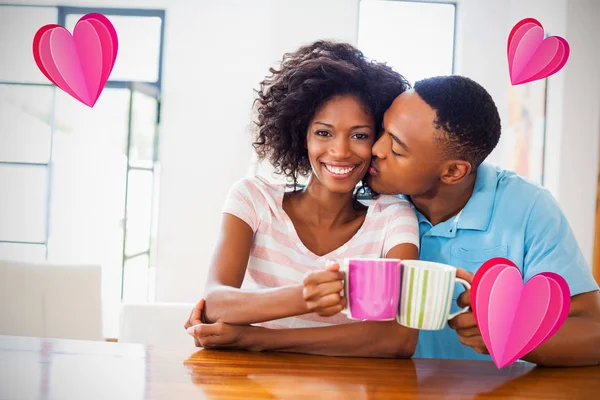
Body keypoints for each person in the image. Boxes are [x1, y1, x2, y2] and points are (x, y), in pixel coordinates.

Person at [185, 40, 420, 358]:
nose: (340, 151)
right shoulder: (254, 199)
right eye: (324, 133)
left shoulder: (393, 216)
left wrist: (257, 338)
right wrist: (303, 296)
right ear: (301, 135)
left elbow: (397, 339)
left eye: (359, 135)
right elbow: (215, 303)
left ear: (377, 139)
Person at [364, 75, 600, 366]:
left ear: (453, 172)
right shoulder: (370, 198)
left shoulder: (529, 208)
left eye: (397, 150)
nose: (375, 149)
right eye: (382, 130)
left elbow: (592, 332)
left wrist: (511, 335)